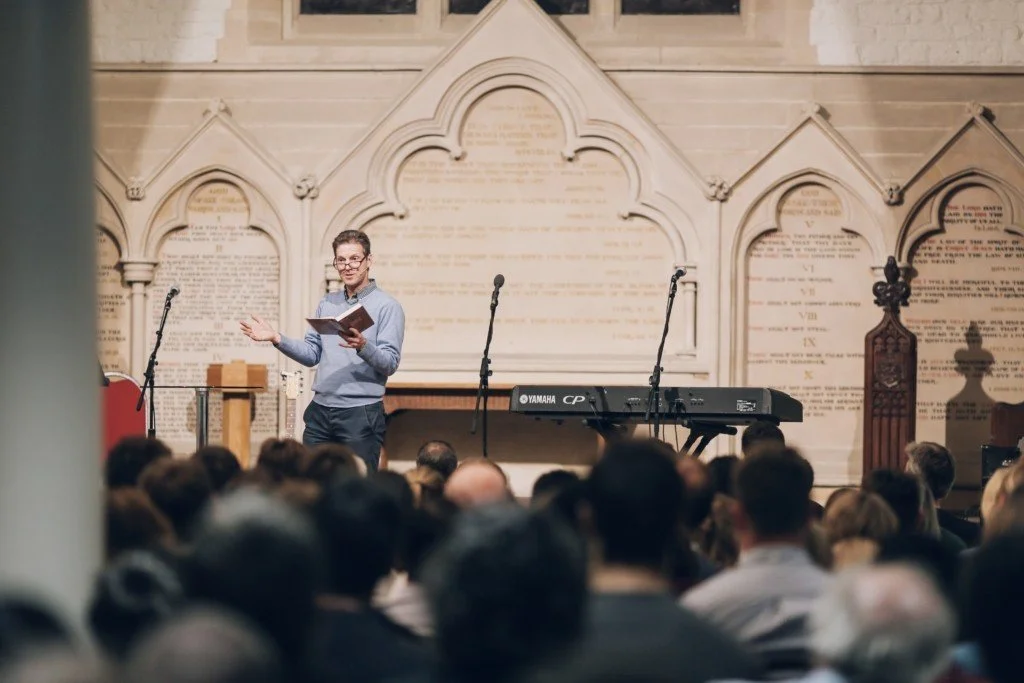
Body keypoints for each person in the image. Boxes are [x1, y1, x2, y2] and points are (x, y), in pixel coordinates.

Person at [240, 230, 405, 471]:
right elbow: (311, 354)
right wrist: (277, 338)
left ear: (369, 260)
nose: (347, 266)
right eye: (341, 260)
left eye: (354, 259)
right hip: (320, 410)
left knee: (357, 482)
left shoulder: (387, 306)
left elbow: (390, 363)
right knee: (310, 479)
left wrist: (363, 346)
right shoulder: (328, 302)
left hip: (360, 413)